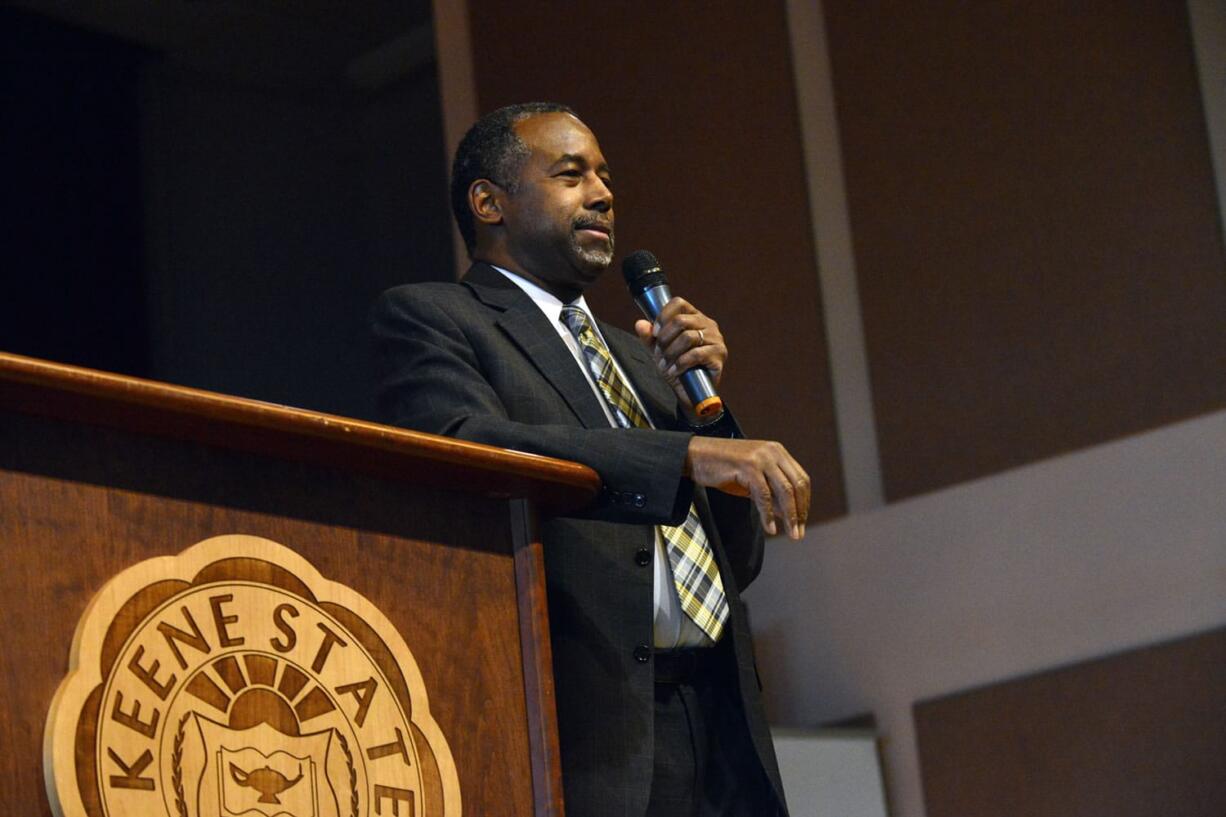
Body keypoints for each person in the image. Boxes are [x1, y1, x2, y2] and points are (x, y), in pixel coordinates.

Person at [372, 102, 810, 817]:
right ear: (490, 202)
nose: (603, 193)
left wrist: (710, 412)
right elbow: (466, 446)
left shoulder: (637, 354)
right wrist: (689, 451)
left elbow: (735, 558)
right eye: (571, 174)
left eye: (605, 176)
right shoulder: (434, 317)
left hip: (722, 728)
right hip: (593, 737)